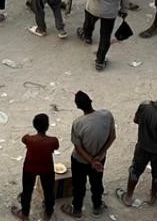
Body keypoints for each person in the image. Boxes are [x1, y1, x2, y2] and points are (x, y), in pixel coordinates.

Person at [61, 91, 115, 219]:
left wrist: (91, 161)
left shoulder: (78, 123)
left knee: (79, 185)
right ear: (91, 101)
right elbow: (112, 137)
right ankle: (97, 206)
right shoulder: (107, 114)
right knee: (97, 183)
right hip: (100, 159)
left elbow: (78, 148)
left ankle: (77, 209)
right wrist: (99, 156)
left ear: (78, 106)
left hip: (80, 161)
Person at [15, 114, 59, 221]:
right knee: (48, 191)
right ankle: (48, 212)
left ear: (34, 125)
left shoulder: (28, 139)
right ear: (47, 126)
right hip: (46, 168)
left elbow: (23, 139)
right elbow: (55, 147)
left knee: (27, 191)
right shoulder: (53, 140)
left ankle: (25, 214)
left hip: (30, 168)